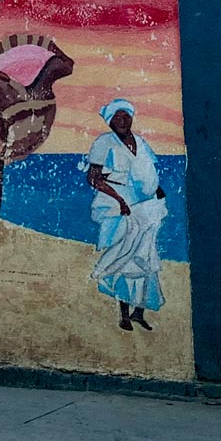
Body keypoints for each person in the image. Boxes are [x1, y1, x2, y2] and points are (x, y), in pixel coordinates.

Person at [82, 99, 169, 332]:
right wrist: (120, 200)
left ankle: (139, 312)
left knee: (146, 258)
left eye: (126, 116)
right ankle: (123, 314)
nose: (122, 121)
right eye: (117, 117)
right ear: (110, 120)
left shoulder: (140, 142)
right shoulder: (104, 143)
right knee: (124, 258)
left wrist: (159, 195)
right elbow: (94, 178)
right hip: (117, 207)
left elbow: (148, 172)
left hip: (146, 208)